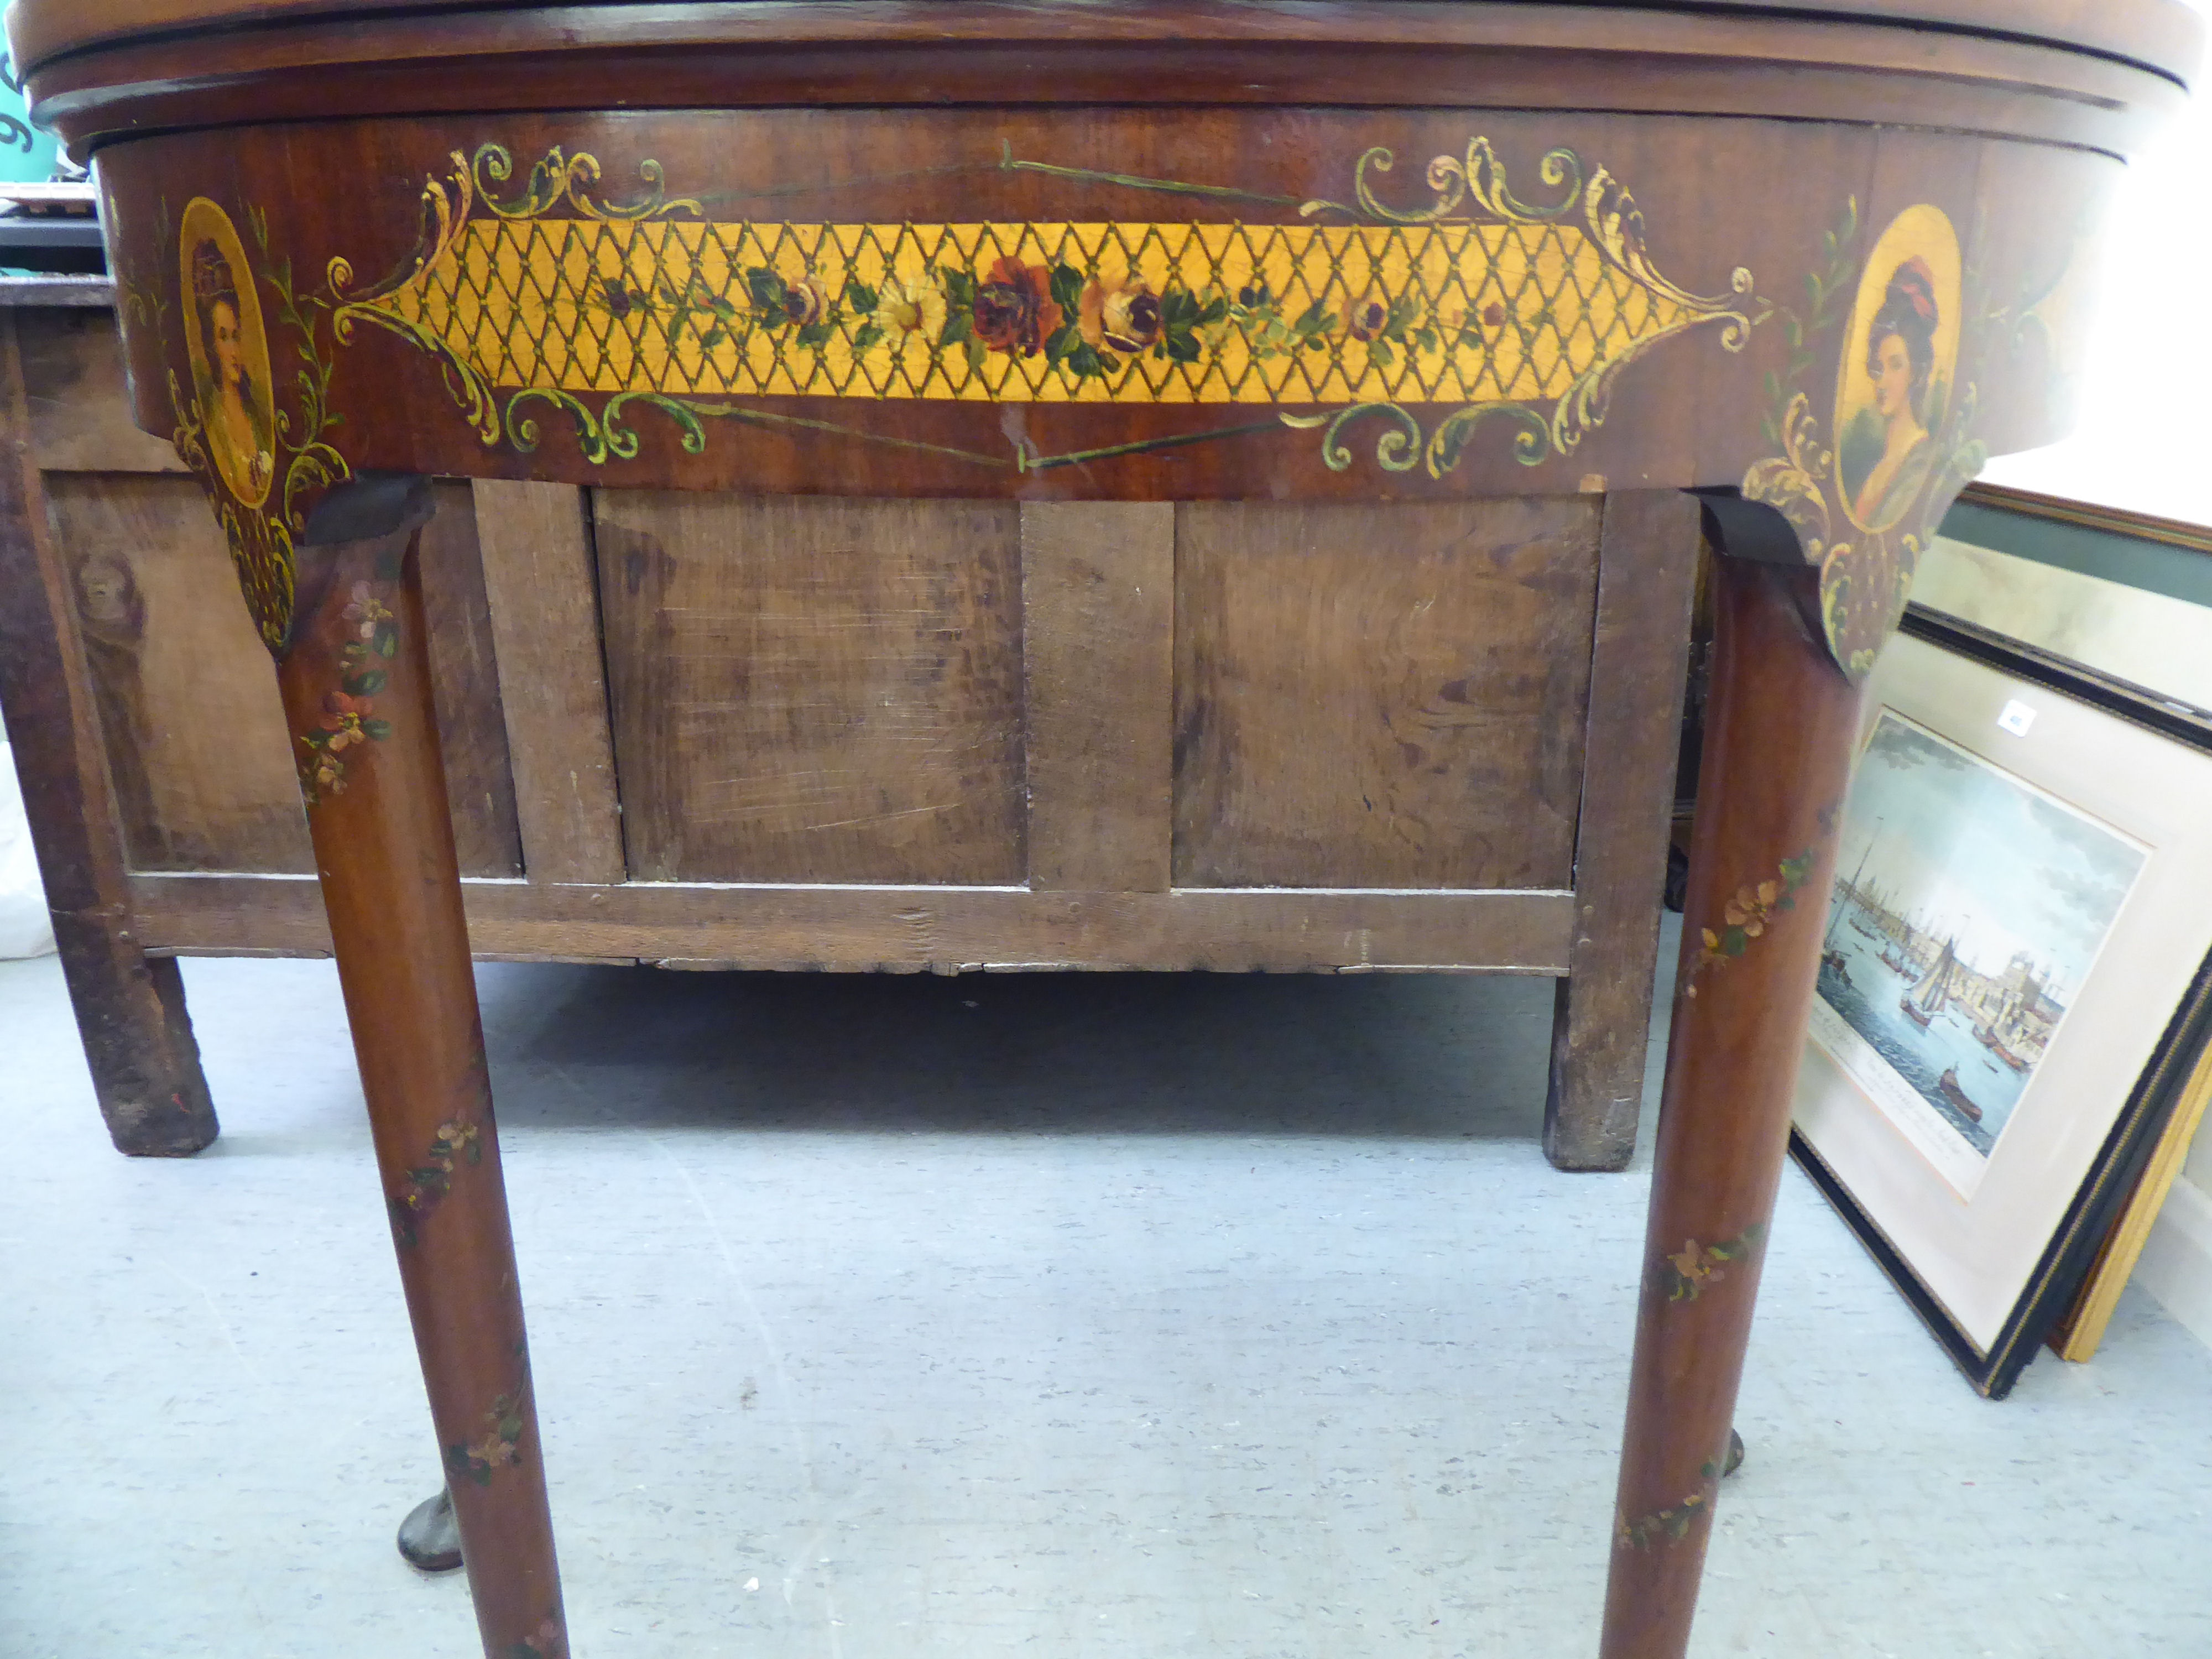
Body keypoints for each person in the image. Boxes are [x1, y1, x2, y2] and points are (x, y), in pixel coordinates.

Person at [1841, 257, 1940, 529]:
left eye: (1896, 366)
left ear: (1917, 374)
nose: (1881, 382)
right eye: (1878, 367)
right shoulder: (1881, 463)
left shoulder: (1919, 464)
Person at [191, 238, 275, 502]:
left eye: (236, 336)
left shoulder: (258, 411)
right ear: (211, 344)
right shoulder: (213, 420)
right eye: (223, 337)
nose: (234, 351)